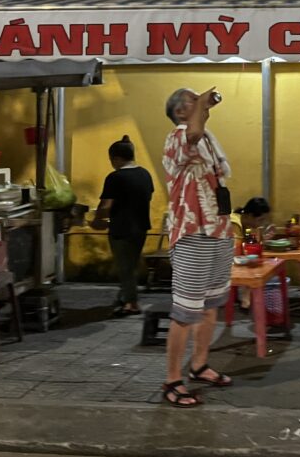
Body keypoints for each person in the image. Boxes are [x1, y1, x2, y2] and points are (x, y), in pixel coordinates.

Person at [160, 87, 235, 408]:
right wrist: (202, 105)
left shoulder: (207, 140)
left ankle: (199, 364)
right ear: (180, 112)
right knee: (185, 312)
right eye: (192, 102)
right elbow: (192, 132)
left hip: (218, 230)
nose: (201, 106)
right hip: (192, 232)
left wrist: (203, 106)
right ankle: (172, 380)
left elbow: (200, 129)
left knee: (210, 305)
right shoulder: (177, 137)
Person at [92, 135, 154, 317]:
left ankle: (132, 303)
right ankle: (124, 296)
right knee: (131, 265)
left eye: (112, 159)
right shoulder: (145, 174)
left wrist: (97, 220)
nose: (112, 163)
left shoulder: (115, 177)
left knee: (124, 267)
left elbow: (106, 206)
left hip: (121, 229)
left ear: (117, 158)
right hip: (141, 227)